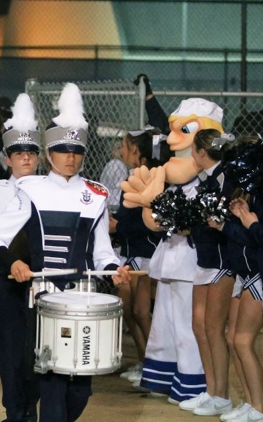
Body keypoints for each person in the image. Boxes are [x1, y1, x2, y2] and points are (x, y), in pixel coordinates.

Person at [0, 83, 130, 422]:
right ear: (49, 154)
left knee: (80, 391)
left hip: (82, 301)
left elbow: (102, 250)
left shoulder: (97, 194)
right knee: (51, 386)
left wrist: (114, 269)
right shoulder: (32, 190)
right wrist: (14, 261)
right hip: (44, 301)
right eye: (63, 150)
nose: (70, 157)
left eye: (76, 150)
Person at [122, 98, 225, 404]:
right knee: (164, 322)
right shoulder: (173, 180)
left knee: (187, 325)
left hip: (193, 263)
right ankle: (164, 377)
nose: (173, 139)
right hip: (169, 259)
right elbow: (159, 222)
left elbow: (193, 222)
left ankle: (194, 384)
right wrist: (148, 205)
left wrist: (165, 214)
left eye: (185, 130)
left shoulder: (211, 182)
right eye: (172, 130)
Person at [0, 93, 40, 422]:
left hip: (41, 284)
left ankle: (31, 409)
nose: (26, 158)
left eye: (31, 152)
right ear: (8, 159)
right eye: (19, 153)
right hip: (5, 280)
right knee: (9, 351)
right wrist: (10, 263)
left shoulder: (50, 190)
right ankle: (15, 413)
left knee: (37, 352)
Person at [179, 129, 235, 417]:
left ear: (201, 152)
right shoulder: (206, 180)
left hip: (222, 262)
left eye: (193, 150)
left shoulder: (226, 178)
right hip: (203, 260)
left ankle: (222, 395)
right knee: (199, 327)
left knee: (214, 329)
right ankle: (211, 390)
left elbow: (228, 220)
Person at [209, 136, 263, 422]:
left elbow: (256, 238)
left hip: (257, 273)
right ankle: (249, 401)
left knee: (242, 340)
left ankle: (259, 407)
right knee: (234, 338)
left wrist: (237, 224)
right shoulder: (250, 191)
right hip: (247, 272)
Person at [109, 127, 169, 388]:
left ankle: (156, 365)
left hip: (144, 254)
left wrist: (116, 227)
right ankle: (146, 361)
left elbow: (147, 224)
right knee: (129, 310)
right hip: (130, 253)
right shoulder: (132, 176)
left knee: (141, 311)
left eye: (125, 145)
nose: (121, 150)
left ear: (136, 152)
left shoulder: (150, 180)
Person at [99, 139, 129, 211]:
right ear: (113, 151)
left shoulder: (110, 164)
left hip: (108, 200)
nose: (120, 150)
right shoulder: (118, 164)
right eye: (118, 148)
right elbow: (120, 185)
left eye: (122, 147)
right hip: (115, 202)